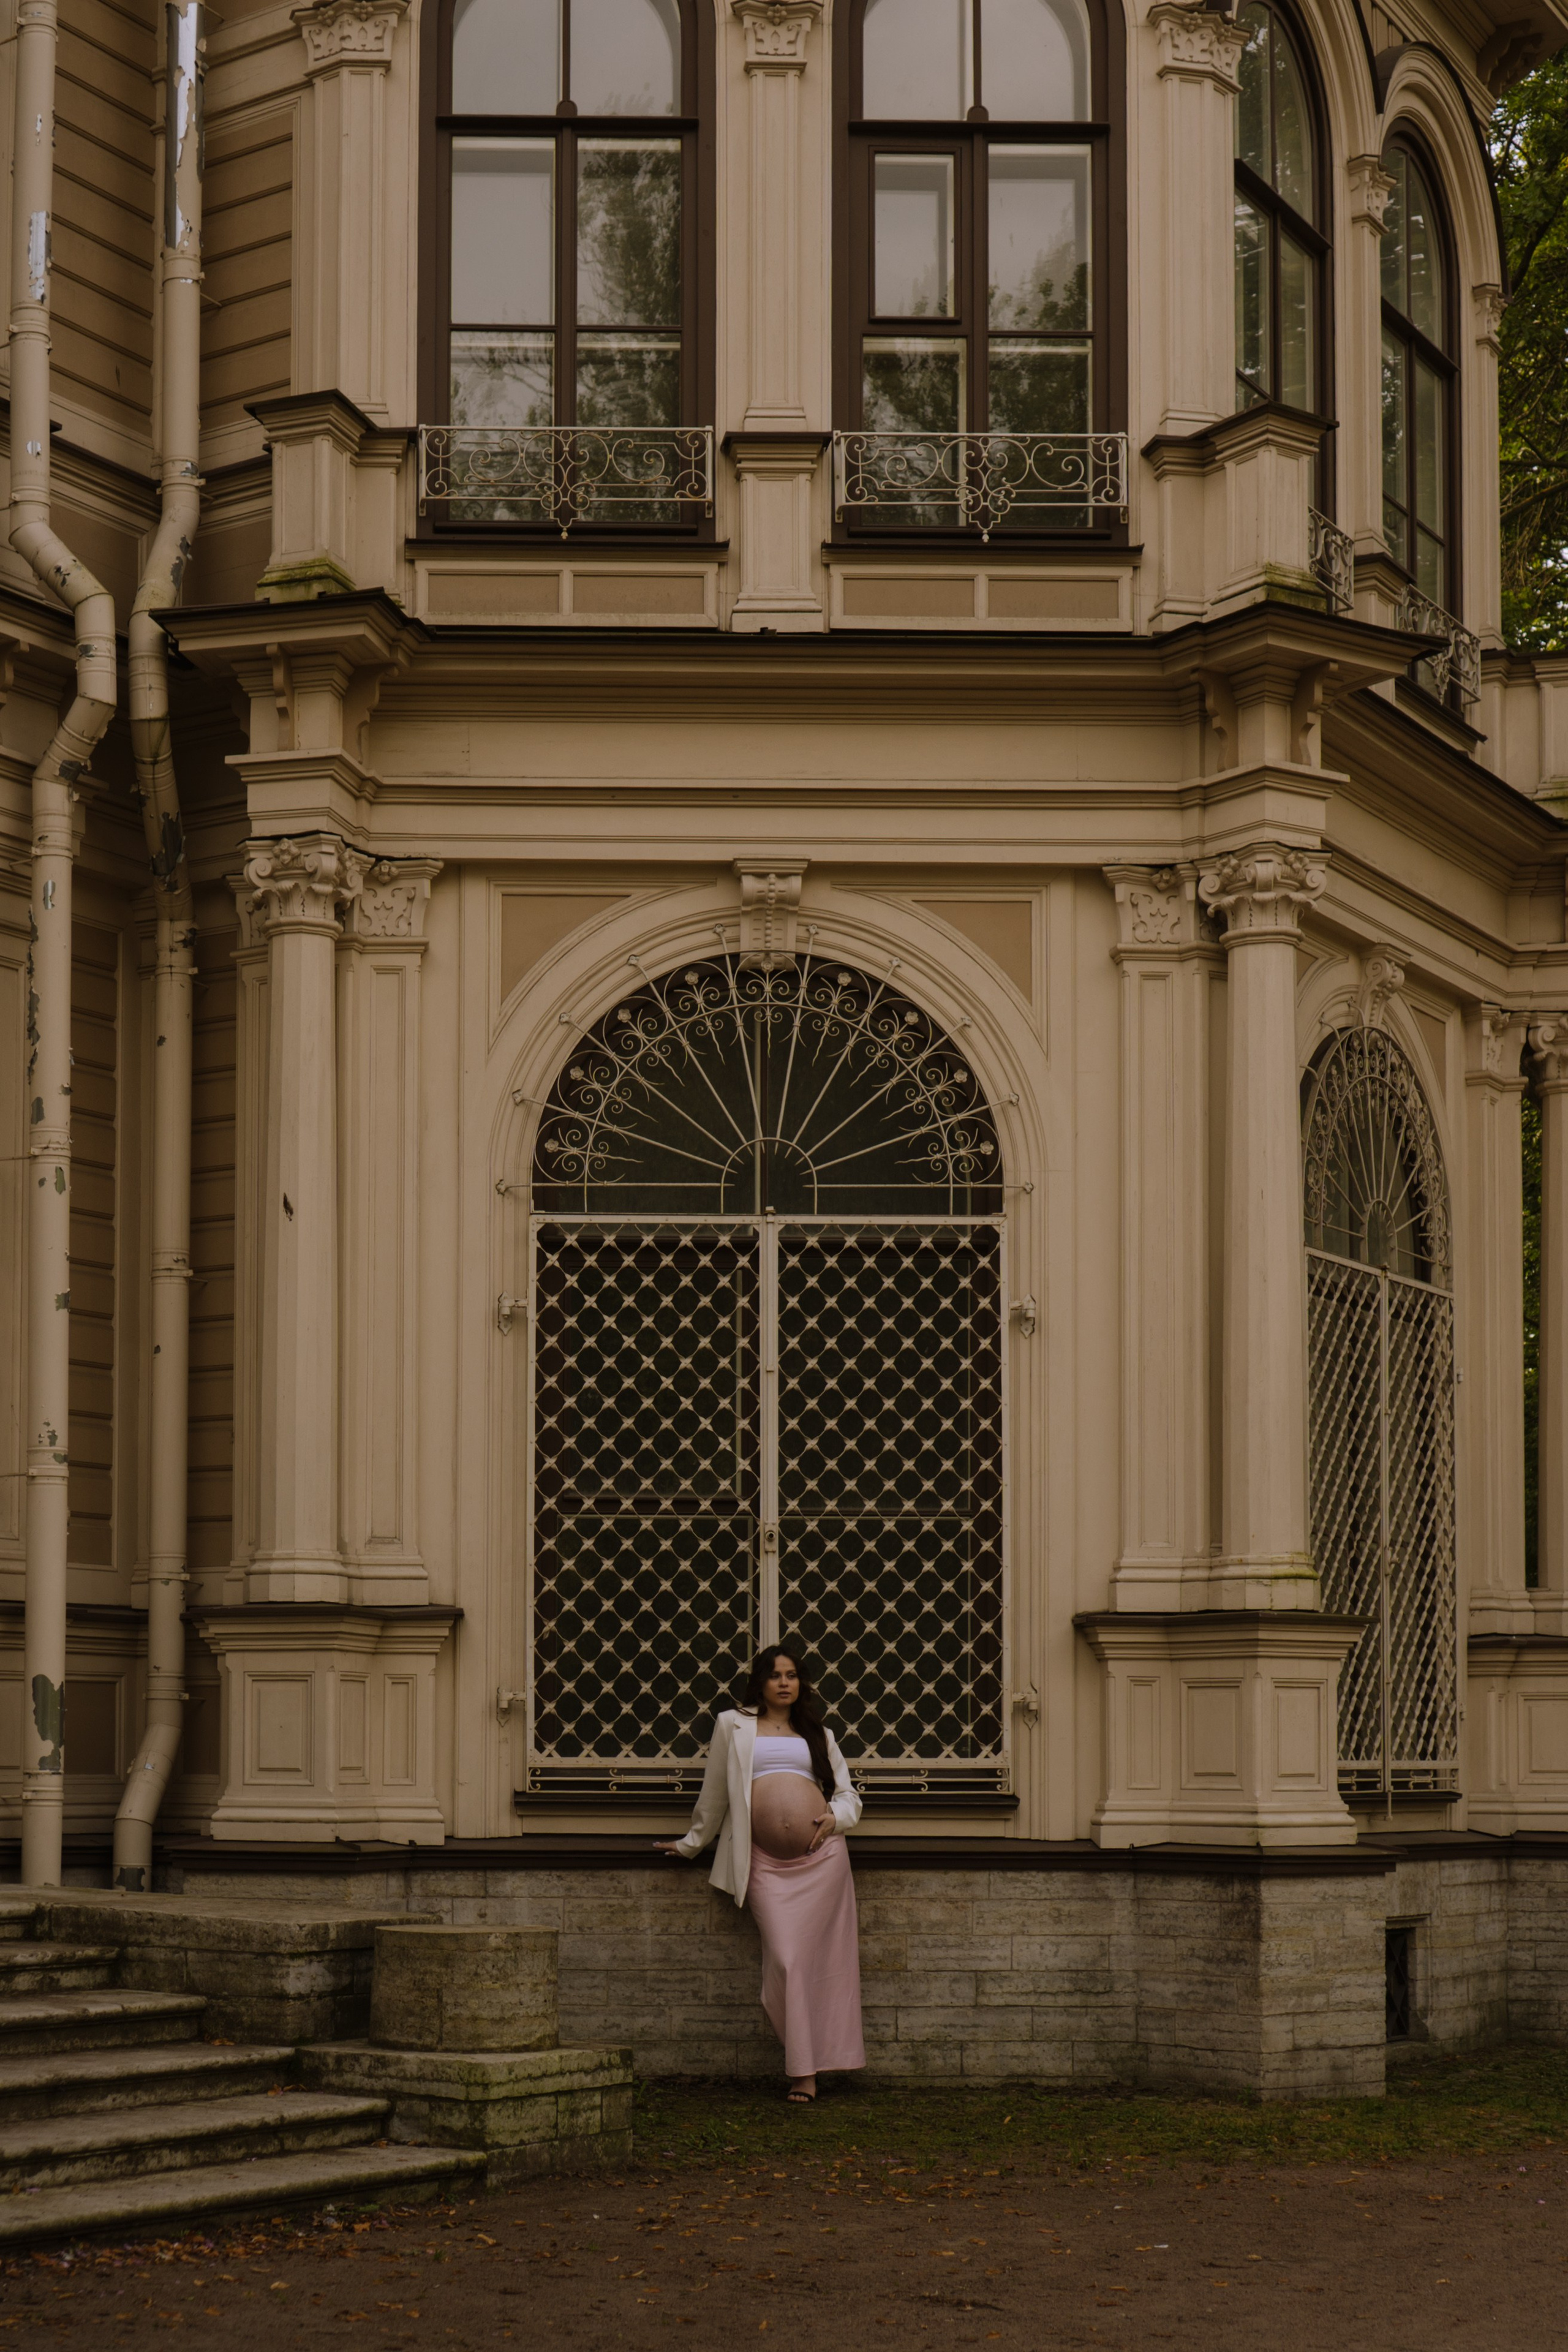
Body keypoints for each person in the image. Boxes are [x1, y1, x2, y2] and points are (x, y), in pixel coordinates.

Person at [656, 1645, 865, 2102]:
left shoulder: (819, 1733)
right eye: (775, 1676)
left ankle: (804, 2076)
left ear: (801, 1682)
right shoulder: (732, 1725)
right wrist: (692, 1844)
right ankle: (803, 2060)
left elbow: (849, 1796)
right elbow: (715, 1796)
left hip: (822, 1863)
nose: (784, 1683)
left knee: (826, 1966)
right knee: (788, 1962)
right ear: (761, 1683)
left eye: (792, 1675)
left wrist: (834, 1818)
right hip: (766, 1864)